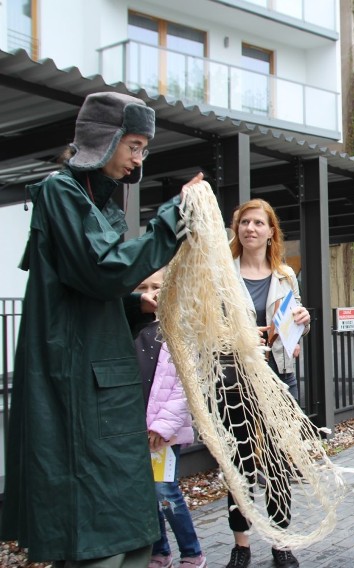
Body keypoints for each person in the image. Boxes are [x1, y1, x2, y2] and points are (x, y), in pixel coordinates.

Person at [0, 91, 204, 567]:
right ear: (104, 139)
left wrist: (137, 306)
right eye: (134, 145)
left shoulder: (94, 202)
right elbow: (101, 271)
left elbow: (91, 293)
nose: (139, 158)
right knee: (96, 537)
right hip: (77, 391)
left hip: (104, 390)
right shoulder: (61, 193)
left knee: (130, 533)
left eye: (143, 148)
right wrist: (173, 216)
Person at [222, 198, 311, 568]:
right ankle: (241, 545)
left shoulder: (286, 275)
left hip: (277, 377)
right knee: (238, 463)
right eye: (245, 222)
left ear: (271, 231)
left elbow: (293, 329)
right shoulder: (223, 275)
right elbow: (210, 328)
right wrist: (243, 335)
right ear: (237, 229)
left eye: (259, 223)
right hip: (234, 377)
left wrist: (302, 322)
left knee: (277, 462)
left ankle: (280, 541)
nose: (251, 229)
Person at [134, 269, 207, 568]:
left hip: (164, 432)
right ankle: (159, 550)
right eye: (143, 287)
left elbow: (184, 387)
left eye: (157, 286)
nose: (151, 292)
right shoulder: (131, 327)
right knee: (144, 493)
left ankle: (191, 552)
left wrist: (162, 427)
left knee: (164, 490)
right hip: (134, 429)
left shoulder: (181, 329)